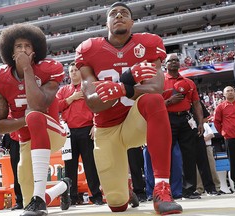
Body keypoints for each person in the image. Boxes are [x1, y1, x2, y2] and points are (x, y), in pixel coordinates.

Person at [75, 2, 182, 215]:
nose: (119, 15)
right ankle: (125, 189)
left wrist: (122, 87)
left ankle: (162, 188)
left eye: (124, 13)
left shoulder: (148, 44)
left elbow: (157, 88)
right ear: (106, 23)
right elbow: (93, 102)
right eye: (113, 13)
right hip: (107, 129)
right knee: (117, 205)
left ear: (132, 22)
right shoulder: (89, 49)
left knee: (153, 100)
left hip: (136, 121)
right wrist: (126, 82)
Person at [0, 23, 71, 216]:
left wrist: (27, 70)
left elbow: (39, 105)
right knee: (29, 205)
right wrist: (24, 121)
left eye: (28, 46)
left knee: (34, 115)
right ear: (10, 51)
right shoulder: (0, 77)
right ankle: (61, 188)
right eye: (19, 46)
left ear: (35, 51)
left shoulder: (48, 68)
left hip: (52, 132)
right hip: (26, 138)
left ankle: (40, 199)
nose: (23, 50)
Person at [56, 62, 103, 205]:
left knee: (90, 165)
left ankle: (96, 196)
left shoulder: (88, 87)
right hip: (68, 133)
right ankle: (72, 197)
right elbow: (55, 106)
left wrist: (96, 124)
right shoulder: (63, 90)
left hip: (86, 129)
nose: (74, 72)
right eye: (71, 71)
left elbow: (97, 105)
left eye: (76, 70)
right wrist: (72, 98)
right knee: (69, 167)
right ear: (68, 74)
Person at [163, 53, 204, 199]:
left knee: (189, 155)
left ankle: (189, 190)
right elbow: (153, 104)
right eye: (170, 61)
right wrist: (169, 101)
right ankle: (166, 190)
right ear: (165, 64)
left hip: (186, 120)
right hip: (167, 120)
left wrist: (200, 122)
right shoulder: (160, 81)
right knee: (167, 157)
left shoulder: (189, 82)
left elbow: (196, 103)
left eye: (176, 60)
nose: (174, 62)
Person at [214, 86, 235, 193]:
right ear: (224, 94)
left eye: (232, 90)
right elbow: (217, 122)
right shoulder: (220, 107)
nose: (230, 92)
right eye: (228, 91)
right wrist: (224, 132)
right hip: (230, 139)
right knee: (233, 163)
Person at [1, 132, 23, 210]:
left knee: (24, 171)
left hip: (25, 135)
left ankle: (30, 198)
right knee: (17, 172)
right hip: (15, 138)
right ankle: (20, 200)